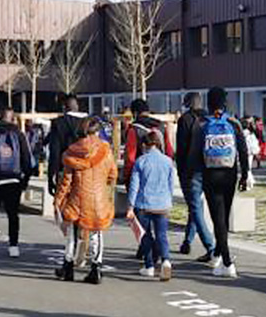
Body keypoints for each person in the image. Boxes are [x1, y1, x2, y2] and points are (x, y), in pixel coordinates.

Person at [54, 117, 118, 284]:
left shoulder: (72, 152)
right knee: (97, 232)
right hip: (98, 198)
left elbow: (66, 181)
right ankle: (96, 268)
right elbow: (112, 174)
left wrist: (58, 200)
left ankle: (68, 265)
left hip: (78, 198)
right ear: (97, 131)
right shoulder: (106, 150)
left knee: (72, 233)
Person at [201, 87, 250, 278]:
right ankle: (219, 253)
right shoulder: (233, 122)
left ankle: (227, 262)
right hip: (230, 174)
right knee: (225, 214)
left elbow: (195, 151)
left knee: (217, 218)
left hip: (210, 174)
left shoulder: (203, 123)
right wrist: (245, 174)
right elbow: (243, 151)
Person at [0, 108, 35, 258]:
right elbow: (27, 159)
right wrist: (25, 179)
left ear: (0, 117)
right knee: (13, 214)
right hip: (13, 178)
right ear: (12, 118)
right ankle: (13, 246)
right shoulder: (19, 134)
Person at [127, 131, 178, 280]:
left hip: (144, 204)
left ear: (144, 145)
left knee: (145, 235)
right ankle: (166, 260)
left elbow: (134, 186)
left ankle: (149, 266)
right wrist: (169, 201)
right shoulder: (168, 161)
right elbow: (170, 184)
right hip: (162, 204)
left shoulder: (141, 161)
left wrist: (130, 206)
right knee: (162, 235)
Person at [175, 92, 216, 262]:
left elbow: (182, 147)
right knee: (195, 205)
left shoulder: (185, 119)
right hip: (210, 167)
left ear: (187, 103)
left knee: (195, 207)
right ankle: (188, 240)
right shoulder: (209, 118)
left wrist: (180, 170)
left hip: (191, 170)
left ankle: (210, 246)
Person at [122, 98, 173, 187]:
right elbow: (169, 151)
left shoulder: (134, 130)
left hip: (141, 176)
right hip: (161, 174)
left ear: (135, 113)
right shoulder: (161, 127)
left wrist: (128, 177)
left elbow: (130, 157)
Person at [47, 94, 87, 196]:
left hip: (65, 171)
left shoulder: (59, 123)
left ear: (64, 107)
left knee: (65, 206)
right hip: (87, 172)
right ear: (77, 106)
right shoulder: (90, 123)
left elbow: (54, 153)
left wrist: (51, 176)